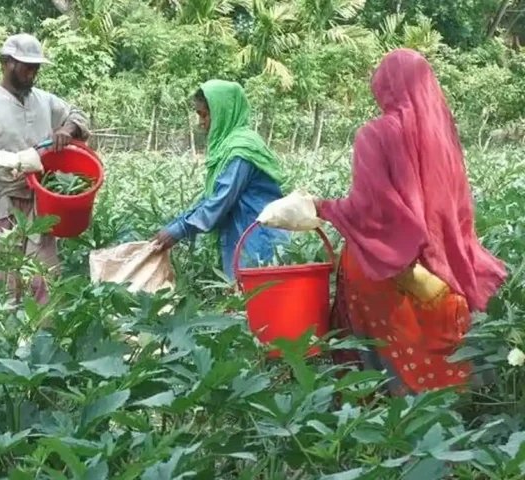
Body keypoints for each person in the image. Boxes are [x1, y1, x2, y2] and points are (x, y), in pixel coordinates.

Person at [257, 49, 507, 396]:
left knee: (386, 364)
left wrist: (321, 206)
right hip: (440, 267)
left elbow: (372, 211)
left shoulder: (374, 134)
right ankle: (466, 412)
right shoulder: (443, 139)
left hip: (385, 267)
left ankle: (387, 431)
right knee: (441, 352)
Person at [0, 33, 90, 304]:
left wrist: (66, 129)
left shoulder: (45, 101)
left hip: (39, 202)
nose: (32, 73)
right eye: (26, 66)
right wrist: (8, 159)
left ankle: (42, 341)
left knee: (44, 278)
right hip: (1, 200)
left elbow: (77, 115)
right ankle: (2, 342)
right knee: (0, 282)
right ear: (6, 63)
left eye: (35, 68)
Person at [152, 80, 289, 280]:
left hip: (259, 242)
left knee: (256, 304)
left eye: (205, 115)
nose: (201, 122)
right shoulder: (227, 147)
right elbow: (212, 196)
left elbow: (219, 202)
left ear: (223, 112)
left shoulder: (241, 150)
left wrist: (178, 230)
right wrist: (176, 225)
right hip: (242, 238)